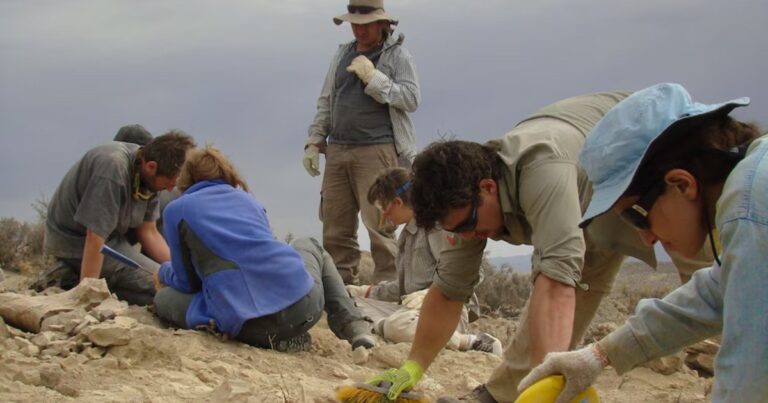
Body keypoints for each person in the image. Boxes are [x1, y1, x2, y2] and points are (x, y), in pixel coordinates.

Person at [365, 91, 714, 403]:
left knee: (710, 278)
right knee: (572, 290)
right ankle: (506, 395)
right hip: (586, 198)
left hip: (649, 164)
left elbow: (556, 285)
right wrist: (413, 366)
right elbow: (449, 292)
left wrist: (544, 390)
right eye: (456, 230)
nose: (468, 237)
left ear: (488, 187)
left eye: (469, 225)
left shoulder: (542, 170)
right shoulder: (463, 208)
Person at [519, 83, 767, 402]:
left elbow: (750, 376)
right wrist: (600, 354)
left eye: (637, 217)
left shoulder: (749, 206)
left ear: (681, 184)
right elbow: (715, 294)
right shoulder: (754, 183)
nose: (646, 237)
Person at [153, 146, 376, 352]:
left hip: (248, 325)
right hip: (305, 306)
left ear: (186, 178)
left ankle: (273, 338)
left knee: (163, 299)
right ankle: (355, 327)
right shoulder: (250, 202)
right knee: (310, 244)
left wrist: (164, 271)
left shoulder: (177, 210)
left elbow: (187, 283)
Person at [302, 0, 420, 285]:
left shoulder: (397, 56)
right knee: (335, 225)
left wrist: (373, 78)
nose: (359, 29)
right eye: (354, 23)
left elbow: (411, 99)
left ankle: (388, 288)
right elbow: (327, 101)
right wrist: (315, 140)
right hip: (338, 149)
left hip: (377, 150)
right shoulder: (342, 54)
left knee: (381, 224)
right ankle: (340, 287)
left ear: (382, 23)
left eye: (365, 24)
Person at [346, 167, 502, 355]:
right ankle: (382, 328)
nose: (384, 215)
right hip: (410, 311)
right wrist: (363, 291)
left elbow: (473, 273)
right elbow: (404, 289)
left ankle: (470, 342)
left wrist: (434, 292)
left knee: (398, 326)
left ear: (397, 202)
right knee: (350, 306)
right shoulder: (407, 235)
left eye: (383, 208)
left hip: (446, 310)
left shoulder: (437, 227)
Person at [39, 131, 196, 306]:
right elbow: (95, 237)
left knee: (173, 281)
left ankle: (79, 278)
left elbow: (149, 232)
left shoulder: (148, 170)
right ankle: (74, 280)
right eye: (169, 183)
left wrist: (181, 271)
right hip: (77, 242)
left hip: (112, 241)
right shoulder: (113, 168)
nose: (169, 189)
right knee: (163, 287)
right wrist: (87, 297)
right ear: (151, 166)